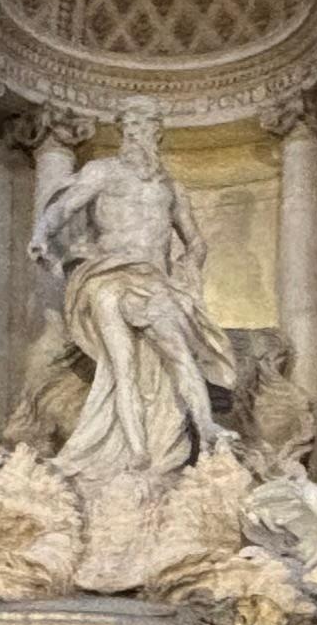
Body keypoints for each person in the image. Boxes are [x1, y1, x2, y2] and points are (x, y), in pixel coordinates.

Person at [28, 102, 235, 481]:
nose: (142, 132)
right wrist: (42, 232)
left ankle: (206, 429)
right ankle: (137, 450)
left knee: (179, 358)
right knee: (120, 366)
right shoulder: (103, 172)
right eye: (134, 125)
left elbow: (195, 240)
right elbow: (66, 208)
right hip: (107, 275)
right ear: (123, 132)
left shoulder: (171, 189)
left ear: (158, 133)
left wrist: (190, 273)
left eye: (149, 125)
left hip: (155, 281)